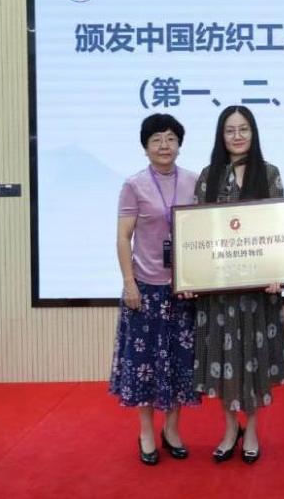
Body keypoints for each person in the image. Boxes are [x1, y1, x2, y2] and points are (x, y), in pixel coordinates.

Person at [193, 105, 284, 465]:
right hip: (218, 292)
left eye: (244, 129)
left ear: (253, 133)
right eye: (230, 130)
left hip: (257, 291)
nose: (237, 136)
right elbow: (196, 233)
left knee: (252, 360)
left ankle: (251, 430)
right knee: (221, 359)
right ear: (221, 136)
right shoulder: (208, 176)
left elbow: (280, 229)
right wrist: (191, 276)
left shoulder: (269, 173)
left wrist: (281, 271)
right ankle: (229, 428)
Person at [110, 113, 200, 466]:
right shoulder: (134, 185)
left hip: (183, 290)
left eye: (171, 138)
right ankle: (147, 431)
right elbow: (123, 237)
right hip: (145, 290)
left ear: (179, 144)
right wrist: (129, 282)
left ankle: (172, 430)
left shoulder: (194, 181)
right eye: (156, 140)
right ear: (145, 147)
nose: (164, 145)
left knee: (179, 365)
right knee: (144, 366)